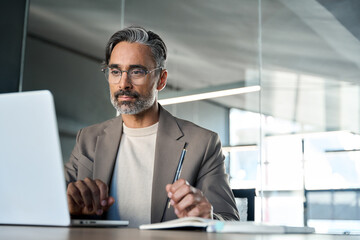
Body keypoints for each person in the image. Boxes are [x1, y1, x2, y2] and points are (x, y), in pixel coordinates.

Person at [65, 26, 239, 227]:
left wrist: (209, 218)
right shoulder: (87, 139)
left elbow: (229, 222)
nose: (124, 83)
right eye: (115, 71)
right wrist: (70, 208)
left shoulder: (203, 143)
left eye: (137, 71)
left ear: (161, 80)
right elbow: (52, 202)